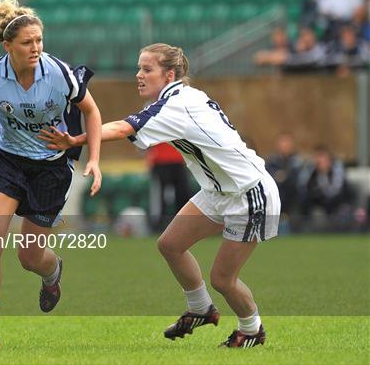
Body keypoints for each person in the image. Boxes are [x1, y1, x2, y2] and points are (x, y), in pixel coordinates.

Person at [40, 43, 281, 348]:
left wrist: (75, 139)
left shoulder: (176, 104)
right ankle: (200, 309)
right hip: (219, 191)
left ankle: (252, 330)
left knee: (222, 279)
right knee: (170, 245)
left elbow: (122, 127)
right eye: (139, 68)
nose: (139, 75)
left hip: (249, 194)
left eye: (147, 69)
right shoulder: (182, 97)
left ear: (169, 74)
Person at [0, 0, 102, 349]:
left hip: (50, 169)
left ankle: (52, 271)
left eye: (39, 41)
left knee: (29, 257)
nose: (36, 48)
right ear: (7, 45)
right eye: (28, 43)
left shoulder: (59, 73)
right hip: (6, 162)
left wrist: (92, 156)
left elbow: (92, 112)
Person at [146, 143, 193, 232]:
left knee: (182, 195)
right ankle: (158, 225)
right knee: (160, 197)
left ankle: (182, 224)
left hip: (178, 161)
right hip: (160, 161)